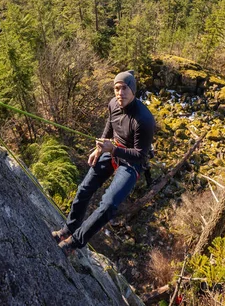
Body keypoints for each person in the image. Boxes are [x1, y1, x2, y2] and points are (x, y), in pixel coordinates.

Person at [52, 70, 155, 255]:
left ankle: (73, 243)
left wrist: (112, 150)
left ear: (133, 90)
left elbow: (140, 155)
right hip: (111, 149)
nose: (120, 93)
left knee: (108, 204)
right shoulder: (113, 104)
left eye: (124, 88)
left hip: (131, 161)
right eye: (116, 88)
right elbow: (110, 126)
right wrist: (99, 148)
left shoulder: (144, 120)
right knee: (84, 188)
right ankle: (68, 229)